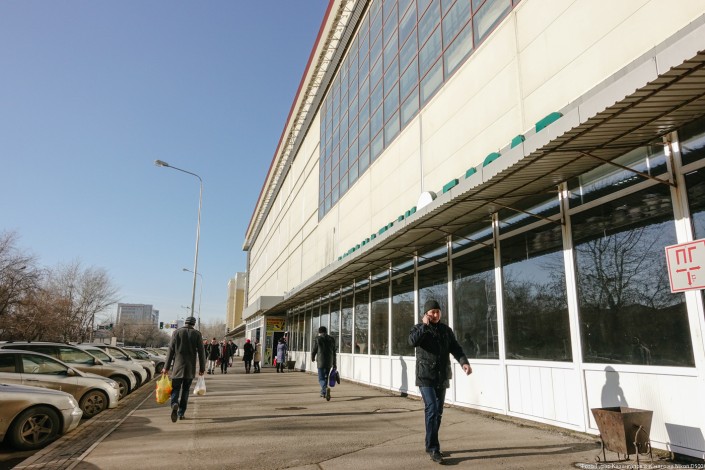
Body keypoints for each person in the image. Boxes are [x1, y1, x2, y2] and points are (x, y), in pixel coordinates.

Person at [408, 299, 472, 464]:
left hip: (441, 376)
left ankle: (429, 443)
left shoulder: (446, 330)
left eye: (438, 311)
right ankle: (434, 448)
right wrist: (424, 326)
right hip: (425, 376)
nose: (436, 314)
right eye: (432, 312)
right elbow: (412, 342)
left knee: (438, 413)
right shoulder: (419, 328)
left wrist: (464, 362)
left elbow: (455, 348)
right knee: (432, 409)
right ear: (426, 314)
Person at [163, 316, 206, 423]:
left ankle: (174, 403)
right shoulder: (197, 334)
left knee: (175, 389)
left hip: (177, 367)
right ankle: (181, 413)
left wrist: (166, 367)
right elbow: (202, 353)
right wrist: (202, 368)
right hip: (190, 368)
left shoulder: (176, 332)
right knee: (186, 390)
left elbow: (170, 351)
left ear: (185, 323)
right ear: (194, 324)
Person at [311, 326, 336, 399]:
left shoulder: (318, 338)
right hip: (329, 361)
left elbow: (314, 350)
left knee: (321, 379)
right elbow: (334, 352)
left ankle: (325, 388)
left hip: (321, 361)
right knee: (326, 378)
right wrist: (334, 363)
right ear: (326, 331)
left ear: (319, 332)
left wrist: (312, 357)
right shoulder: (331, 339)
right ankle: (323, 393)